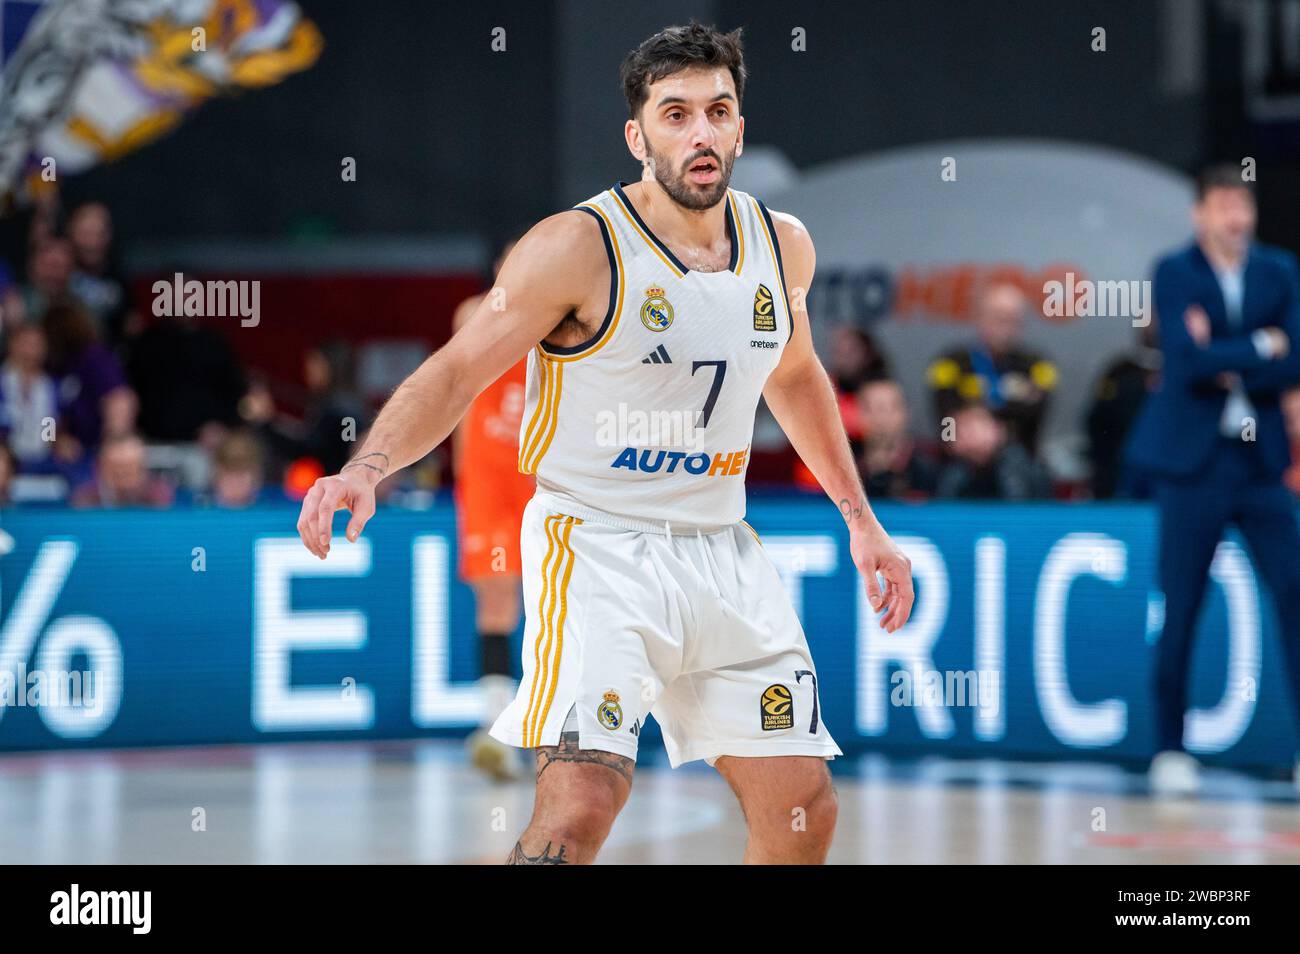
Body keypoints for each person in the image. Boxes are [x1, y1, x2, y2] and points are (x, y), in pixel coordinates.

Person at [294, 22, 913, 866]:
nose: (700, 132)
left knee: (803, 806)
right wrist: (368, 467)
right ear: (638, 135)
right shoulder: (578, 246)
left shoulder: (783, 245)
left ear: (739, 126)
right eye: (676, 114)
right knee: (581, 804)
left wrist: (860, 520)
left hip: (722, 549)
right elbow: (456, 371)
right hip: (597, 546)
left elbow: (796, 376)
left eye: (718, 111)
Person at [1124, 163, 1300, 795]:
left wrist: (1234, 352)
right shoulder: (1175, 271)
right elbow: (1186, 362)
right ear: (1200, 213)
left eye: (1243, 204)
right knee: (1182, 602)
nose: (1236, 217)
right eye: (1224, 204)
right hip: (1192, 465)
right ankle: (1170, 749)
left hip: (1258, 465)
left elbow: (1296, 359)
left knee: (1294, 591)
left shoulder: (1279, 271)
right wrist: (1261, 345)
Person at [451, 236, 536, 782]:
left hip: (540, 476)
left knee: (548, 607)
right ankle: (495, 727)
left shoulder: (562, 317)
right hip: (487, 477)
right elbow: (457, 387)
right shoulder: (474, 312)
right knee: (497, 601)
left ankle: (542, 727)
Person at [927, 282, 1057, 455]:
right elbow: (943, 422)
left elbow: (1033, 422)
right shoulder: (951, 363)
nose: (1005, 327)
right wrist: (954, 440)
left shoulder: (1037, 367)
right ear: (979, 317)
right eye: (998, 317)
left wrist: (993, 430)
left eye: (1013, 319)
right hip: (960, 458)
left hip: (1017, 457)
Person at [933, 402, 1051, 500]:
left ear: (997, 430)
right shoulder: (955, 471)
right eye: (958, 431)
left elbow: (1018, 507)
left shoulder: (1018, 463)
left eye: (972, 428)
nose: (965, 436)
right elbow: (944, 506)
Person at [855, 378, 938, 500]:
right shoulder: (842, 468)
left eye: (890, 408)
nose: (881, 416)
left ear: (906, 413)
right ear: (858, 413)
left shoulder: (931, 468)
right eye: (871, 409)